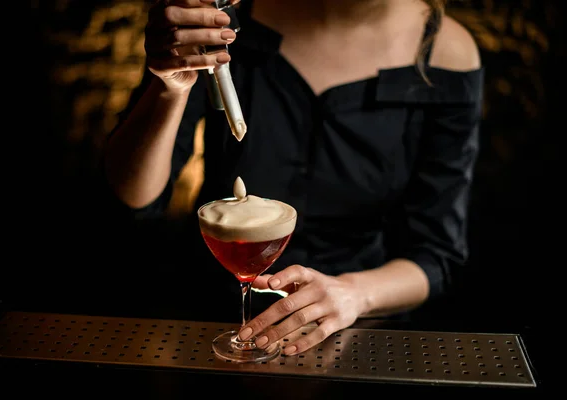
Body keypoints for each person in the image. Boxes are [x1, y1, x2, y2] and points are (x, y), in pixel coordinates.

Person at [102, 0, 483, 356]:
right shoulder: (222, 19)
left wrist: (353, 294)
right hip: (207, 317)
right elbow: (133, 201)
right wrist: (169, 88)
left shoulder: (447, 52)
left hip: (355, 335)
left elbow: (437, 256)